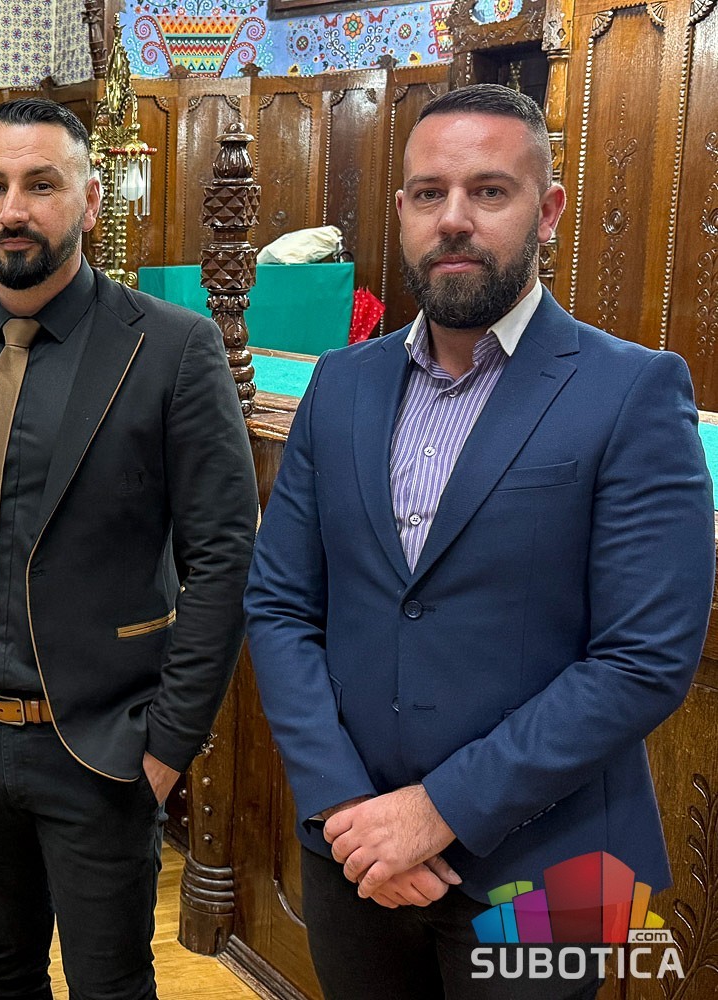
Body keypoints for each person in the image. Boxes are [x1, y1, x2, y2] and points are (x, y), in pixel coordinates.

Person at [245, 84, 714, 1000]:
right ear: (402, 211)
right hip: (357, 851)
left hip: (562, 867)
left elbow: (644, 659)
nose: (453, 218)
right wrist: (345, 803)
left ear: (548, 211)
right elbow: (279, 604)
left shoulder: (633, 392)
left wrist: (436, 812)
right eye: (429, 193)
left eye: (489, 191)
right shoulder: (341, 386)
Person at [0, 98, 257, 1000]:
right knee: (1, 970)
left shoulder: (171, 348)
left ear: (90, 201)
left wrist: (168, 743)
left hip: (99, 746)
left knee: (110, 985)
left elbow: (224, 556)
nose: (13, 209)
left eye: (40, 184)